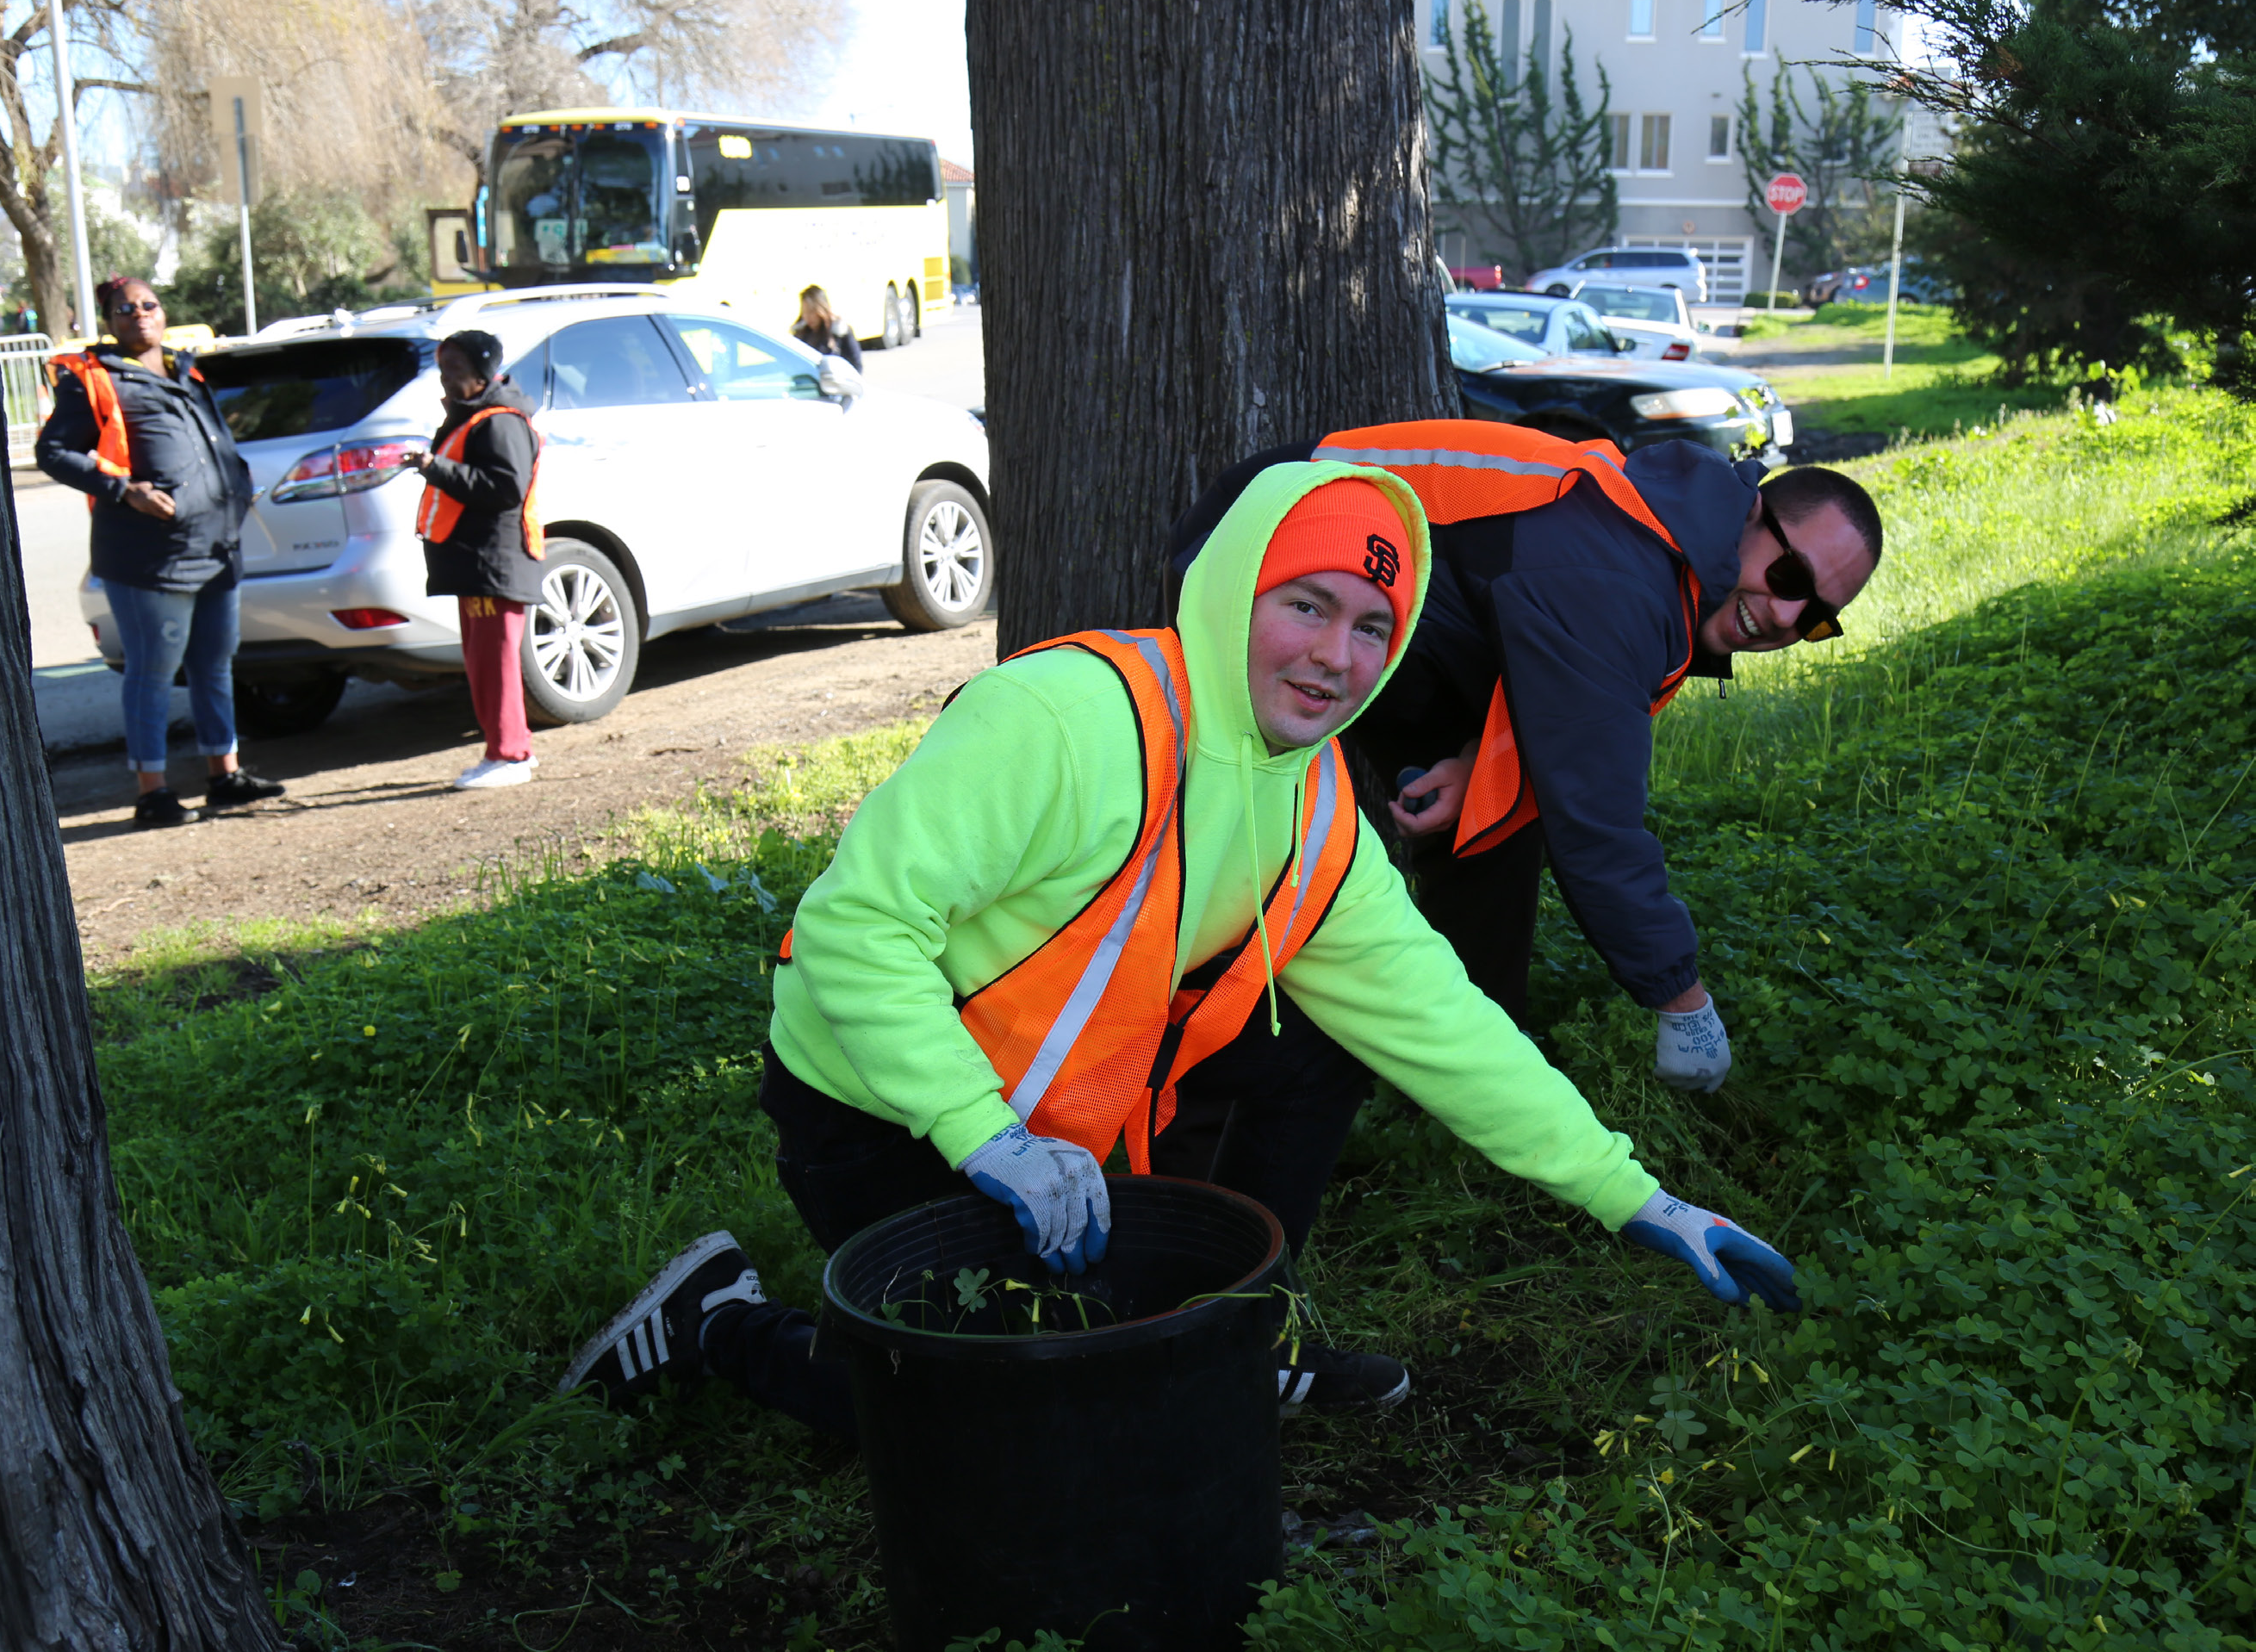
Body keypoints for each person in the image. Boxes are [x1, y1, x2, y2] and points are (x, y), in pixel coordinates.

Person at [563, 460, 1801, 1445]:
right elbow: (852, 930)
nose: (1336, 656)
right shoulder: (1065, 718)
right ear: (1233, 594)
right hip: (878, 1103)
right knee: (1009, 1428)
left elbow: (1442, 1021)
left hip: (1063, 1121)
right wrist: (980, 1132)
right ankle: (720, 1322)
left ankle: (1233, 1325)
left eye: (1376, 625)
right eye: (1305, 604)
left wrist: (1636, 1194)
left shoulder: (1314, 804)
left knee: (1320, 1042)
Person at [1169, 420, 1882, 1092]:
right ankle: (1213, 1058)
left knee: (1495, 819)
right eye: (1789, 577)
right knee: (1261, 815)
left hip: (1406, 596)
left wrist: (1476, 761)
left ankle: (1459, 1071)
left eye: (1815, 619)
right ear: (1751, 515)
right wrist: (1680, 997)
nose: (1785, 618)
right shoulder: (1625, 581)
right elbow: (1597, 822)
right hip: (1266, 540)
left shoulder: (1671, 548)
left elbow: (1549, 677)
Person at [36, 276, 282, 828]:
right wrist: (126, 490)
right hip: (150, 557)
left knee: (214, 665)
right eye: (126, 309)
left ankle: (225, 775)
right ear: (109, 319)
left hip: (216, 546)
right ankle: (153, 792)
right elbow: (52, 453)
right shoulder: (93, 379)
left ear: (163, 312)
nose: (140, 315)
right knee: (151, 671)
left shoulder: (184, 368)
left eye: (149, 305)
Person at [401, 331, 544, 791]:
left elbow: (505, 488)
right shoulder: (473, 417)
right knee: (483, 660)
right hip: (476, 564)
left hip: (495, 562)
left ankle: (509, 755)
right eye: (442, 371)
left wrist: (433, 467)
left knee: (495, 662)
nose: (445, 381)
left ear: (482, 375)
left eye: (454, 372)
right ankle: (509, 746)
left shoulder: (500, 422)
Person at [789, 284, 862, 370]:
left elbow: (856, 365)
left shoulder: (840, 332)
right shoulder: (801, 334)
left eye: (812, 312)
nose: (808, 317)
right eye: (804, 312)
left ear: (822, 309)